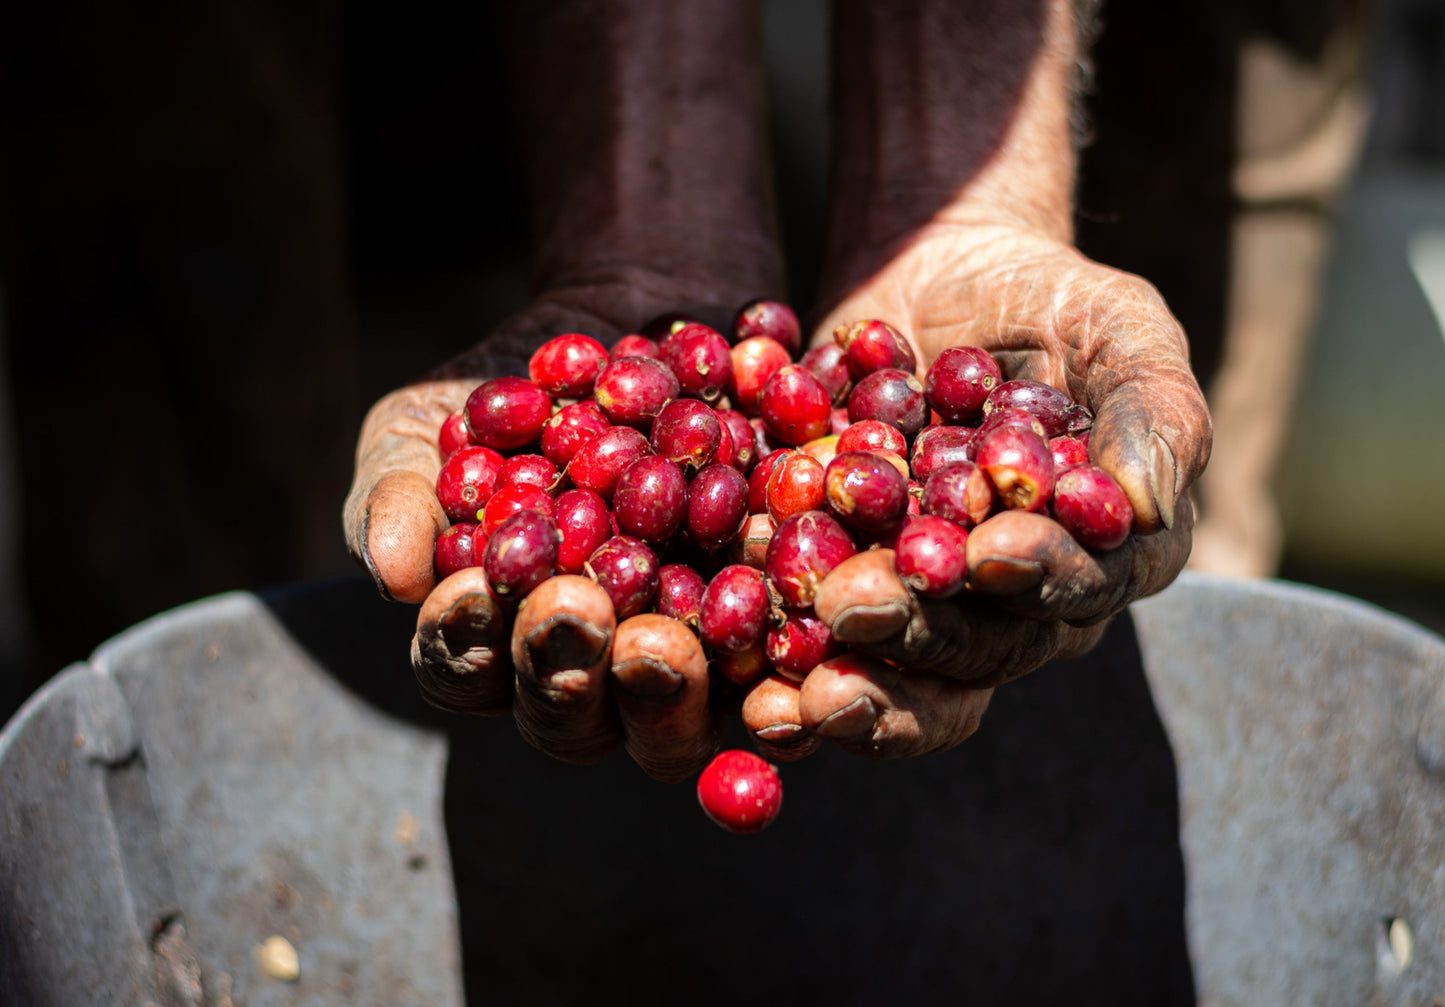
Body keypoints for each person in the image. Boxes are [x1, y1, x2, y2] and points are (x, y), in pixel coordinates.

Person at [343, 0, 1211, 782]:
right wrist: (644, 223)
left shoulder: (816, 439)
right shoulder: (679, 442)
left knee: (1142, 613)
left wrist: (971, 217)